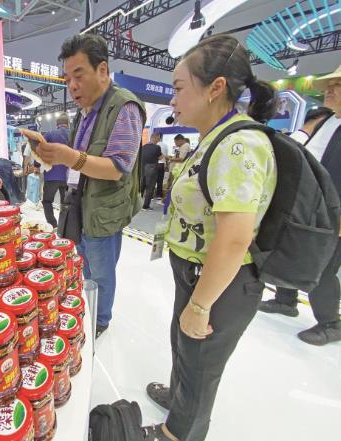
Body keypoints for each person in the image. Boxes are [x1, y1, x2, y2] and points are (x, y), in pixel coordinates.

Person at [142, 35, 277, 441]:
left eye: (179, 88)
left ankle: (180, 432)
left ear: (215, 88)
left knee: (200, 362)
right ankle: (178, 397)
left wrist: (201, 304)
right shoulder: (215, 137)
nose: (173, 99)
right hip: (196, 272)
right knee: (184, 344)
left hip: (221, 283)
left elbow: (235, 238)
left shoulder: (238, 144)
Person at [36, 34, 146, 338]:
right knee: (83, 265)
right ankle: (89, 309)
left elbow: (117, 168)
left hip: (104, 210)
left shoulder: (124, 107)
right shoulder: (83, 113)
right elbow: (80, 161)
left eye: (79, 75)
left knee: (101, 272)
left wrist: (69, 157)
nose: (72, 85)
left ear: (102, 70)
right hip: (79, 203)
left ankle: (100, 320)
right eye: (67, 79)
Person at [258, 66, 341, 346]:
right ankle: (285, 299)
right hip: (308, 202)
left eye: (337, 85)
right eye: (329, 84)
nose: (329, 89)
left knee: (324, 266)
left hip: (333, 210)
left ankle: (330, 323)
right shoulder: (326, 120)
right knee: (291, 246)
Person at [41, 114, 70, 228]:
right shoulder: (73, 134)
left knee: (47, 201)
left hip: (51, 175)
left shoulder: (49, 134)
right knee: (66, 203)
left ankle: (52, 225)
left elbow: (39, 149)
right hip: (68, 176)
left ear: (56, 124)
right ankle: (64, 226)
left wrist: (37, 165)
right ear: (68, 124)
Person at [141, 137, 162, 211]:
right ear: (156, 139)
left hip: (142, 167)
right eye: (158, 139)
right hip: (151, 168)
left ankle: (137, 204)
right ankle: (145, 206)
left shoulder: (143, 147)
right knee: (150, 188)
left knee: (141, 187)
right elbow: (160, 157)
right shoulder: (157, 147)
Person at [150, 132, 169, 200]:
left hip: (154, 164)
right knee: (160, 181)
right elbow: (166, 157)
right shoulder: (165, 145)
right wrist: (167, 165)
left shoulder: (154, 145)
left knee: (152, 180)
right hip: (162, 164)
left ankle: (151, 195)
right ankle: (159, 195)